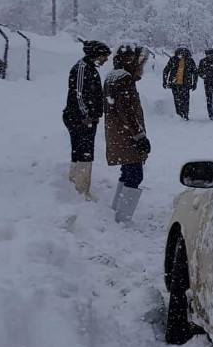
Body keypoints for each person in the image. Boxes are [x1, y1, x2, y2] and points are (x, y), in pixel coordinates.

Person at [103, 45, 151, 223]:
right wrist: (139, 136)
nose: (141, 67)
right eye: (139, 62)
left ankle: (117, 209)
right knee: (135, 174)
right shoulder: (124, 79)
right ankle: (122, 217)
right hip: (127, 135)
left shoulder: (112, 76)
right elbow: (127, 111)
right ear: (129, 60)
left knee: (127, 171)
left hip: (117, 133)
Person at [63, 40, 111, 198]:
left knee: (82, 151)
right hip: (79, 119)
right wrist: (86, 115)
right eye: (104, 56)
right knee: (84, 152)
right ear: (95, 54)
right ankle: (81, 189)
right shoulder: (82, 69)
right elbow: (78, 94)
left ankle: (77, 184)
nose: (105, 60)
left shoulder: (90, 68)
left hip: (85, 118)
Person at [161, 47, 198, 120]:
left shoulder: (190, 60)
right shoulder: (173, 59)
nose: (181, 55)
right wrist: (164, 81)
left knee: (186, 100)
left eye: (183, 54)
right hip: (175, 84)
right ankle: (179, 115)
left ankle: (186, 114)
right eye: (179, 53)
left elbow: (195, 72)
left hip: (186, 84)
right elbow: (166, 70)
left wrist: (195, 83)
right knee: (177, 100)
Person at [198, 49, 213, 121]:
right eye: (208, 54)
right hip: (208, 83)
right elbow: (199, 71)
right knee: (209, 100)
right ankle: (211, 115)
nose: (210, 56)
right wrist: (204, 76)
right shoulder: (202, 61)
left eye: (211, 54)